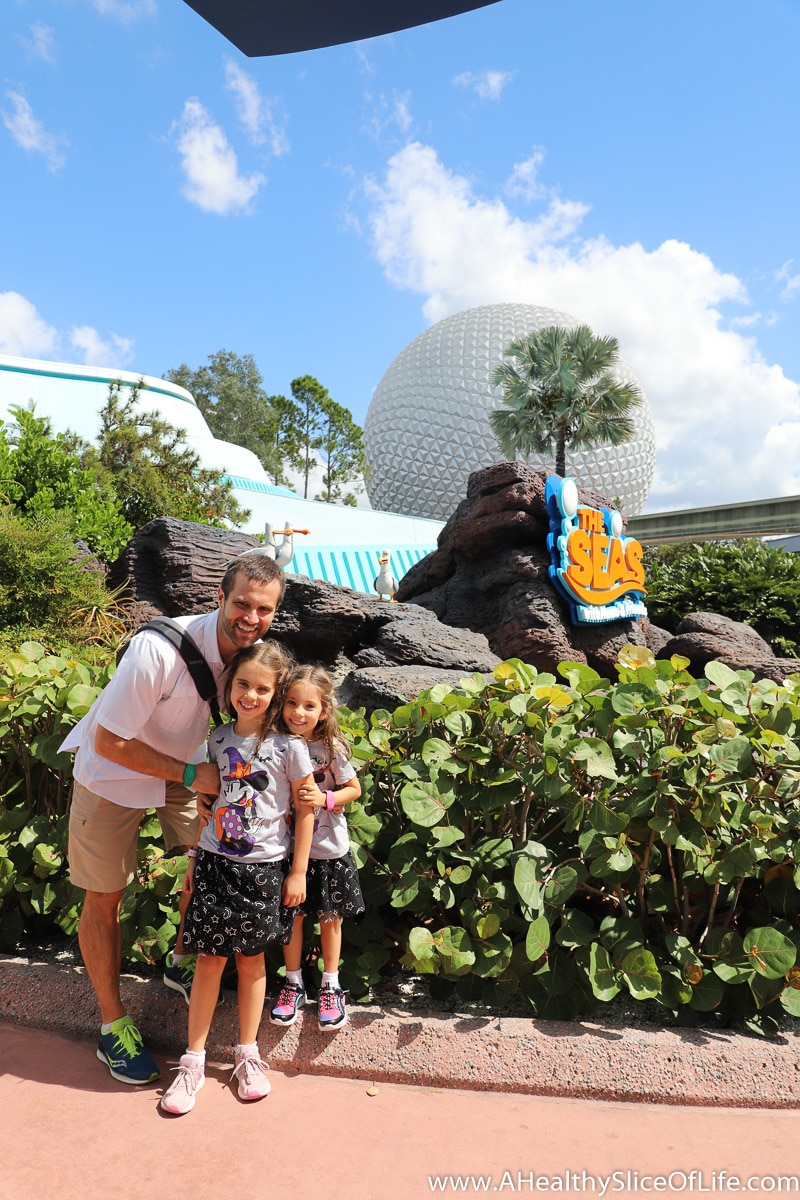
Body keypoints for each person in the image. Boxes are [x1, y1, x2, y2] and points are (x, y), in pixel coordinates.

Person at [59, 553, 286, 1086]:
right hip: (114, 772)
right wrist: (192, 774)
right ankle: (112, 1025)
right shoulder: (155, 652)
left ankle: (181, 958)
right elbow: (108, 740)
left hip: (185, 772)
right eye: (242, 604)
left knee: (210, 864)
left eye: (265, 609)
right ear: (220, 599)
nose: (251, 617)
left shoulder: (250, 660)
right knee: (104, 894)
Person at [160, 641, 316, 1115]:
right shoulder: (216, 739)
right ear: (228, 687)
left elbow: (306, 811)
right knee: (209, 961)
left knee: (251, 962)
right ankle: (193, 1062)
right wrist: (191, 863)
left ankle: (248, 1055)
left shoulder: (290, 747)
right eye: (242, 685)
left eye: (262, 688)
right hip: (213, 863)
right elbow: (208, 801)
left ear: (276, 693)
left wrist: (299, 871)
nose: (251, 695)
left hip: (266, 869)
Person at [269, 664, 364, 1033]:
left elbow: (353, 789)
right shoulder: (275, 743)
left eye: (309, 706)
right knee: (291, 918)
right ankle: (293, 982)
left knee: (329, 918)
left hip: (327, 850)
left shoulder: (330, 747)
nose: (298, 713)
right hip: (285, 848)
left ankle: (331, 985)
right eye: (291, 703)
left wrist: (326, 797)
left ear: (323, 710)